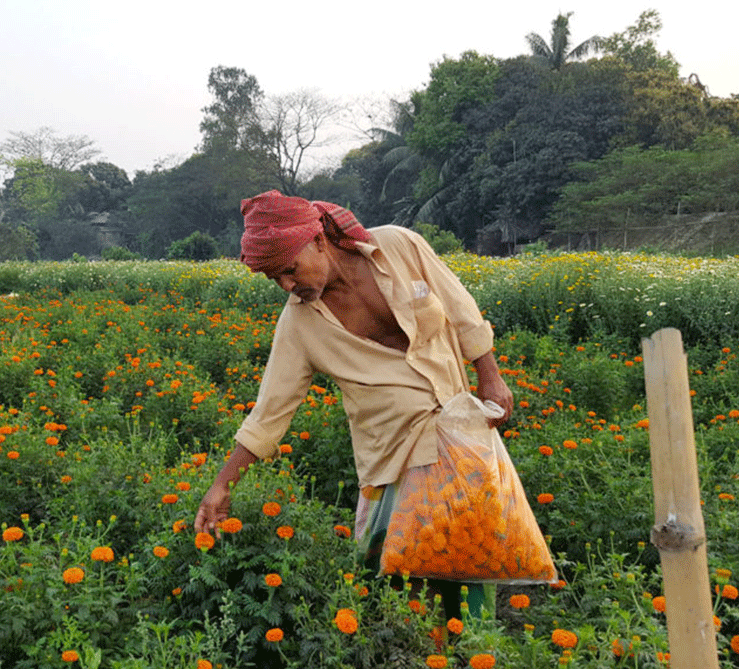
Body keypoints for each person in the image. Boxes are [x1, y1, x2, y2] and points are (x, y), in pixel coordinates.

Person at [194, 190, 514, 620]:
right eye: (275, 279)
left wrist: (490, 376)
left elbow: (461, 310)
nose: (288, 285)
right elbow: (269, 413)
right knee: (404, 588)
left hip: (460, 437)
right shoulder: (300, 324)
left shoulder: (398, 247)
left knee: (473, 564)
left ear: (319, 241)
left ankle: (478, 656)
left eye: (290, 269)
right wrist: (222, 485)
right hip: (392, 461)